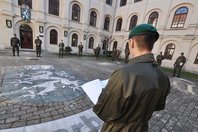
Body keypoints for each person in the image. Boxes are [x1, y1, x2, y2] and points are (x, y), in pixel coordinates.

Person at [93, 24, 170, 132]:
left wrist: (104, 94)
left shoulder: (123, 74)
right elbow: (157, 106)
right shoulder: (163, 76)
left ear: (132, 42)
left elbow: (105, 112)